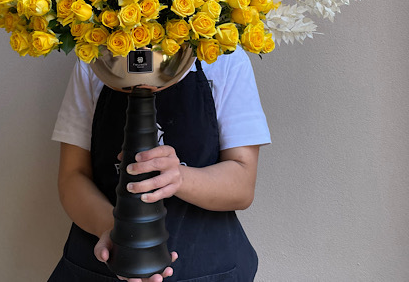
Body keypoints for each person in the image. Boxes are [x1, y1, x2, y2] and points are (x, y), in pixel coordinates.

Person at [48, 46, 271, 281]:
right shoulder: (96, 57)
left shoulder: (223, 57)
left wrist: (179, 178)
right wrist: (119, 232)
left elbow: (242, 185)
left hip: (207, 266)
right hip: (99, 267)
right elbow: (73, 176)